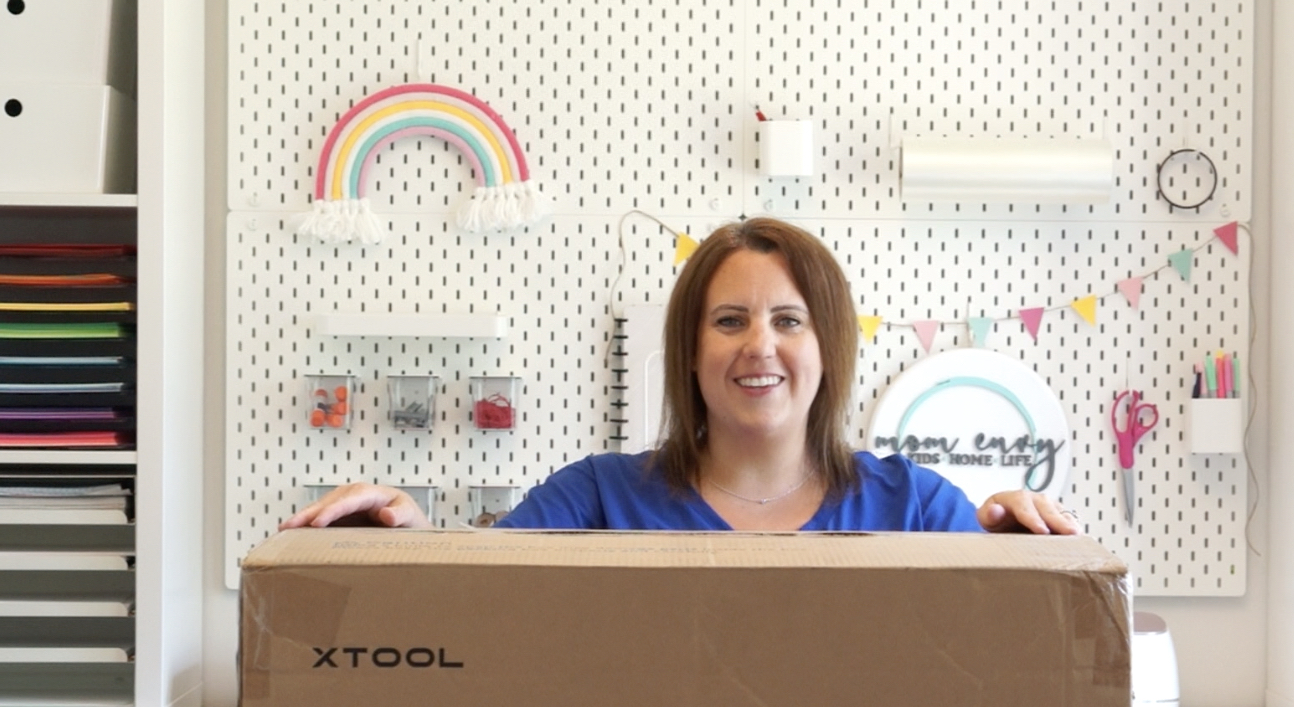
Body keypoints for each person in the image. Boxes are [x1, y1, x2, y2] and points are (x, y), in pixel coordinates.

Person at [280, 218, 1081, 535]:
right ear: (690, 353)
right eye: (729, 321)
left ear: (828, 348)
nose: (759, 347)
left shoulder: (915, 507)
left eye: (789, 321)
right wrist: (406, 542)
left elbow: (1012, 655)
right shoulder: (597, 497)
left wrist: (1019, 555)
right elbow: (473, 602)